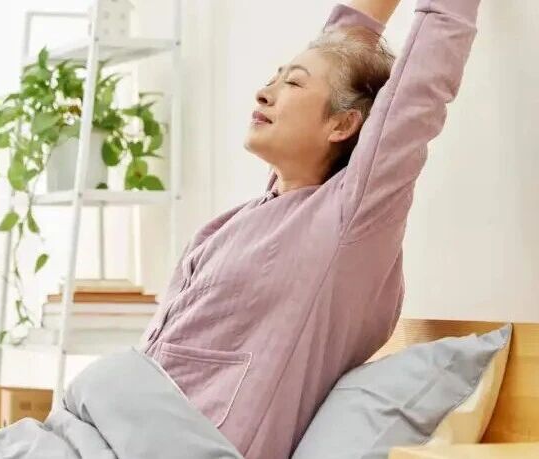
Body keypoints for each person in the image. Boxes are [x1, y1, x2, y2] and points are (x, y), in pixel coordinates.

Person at [138, 0, 482, 457]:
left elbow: (418, 93)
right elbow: (338, 48)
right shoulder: (234, 224)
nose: (263, 94)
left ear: (343, 124)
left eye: (293, 83)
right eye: (274, 78)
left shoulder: (348, 218)